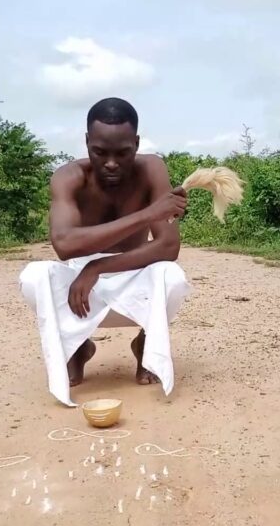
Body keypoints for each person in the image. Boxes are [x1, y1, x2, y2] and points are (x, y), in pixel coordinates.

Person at [19, 97, 191, 407]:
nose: (111, 163)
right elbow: (64, 245)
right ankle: (78, 348)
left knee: (173, 277)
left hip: (131, 276)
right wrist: (147, 214)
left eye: (123, 153)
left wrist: (98, 267)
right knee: (34, 277)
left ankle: (146, 344)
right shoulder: (68, 176)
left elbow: (168, 246)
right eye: (100, 152)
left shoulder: (152, 168)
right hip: (81, 292)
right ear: (87, 142)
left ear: (136, 144)